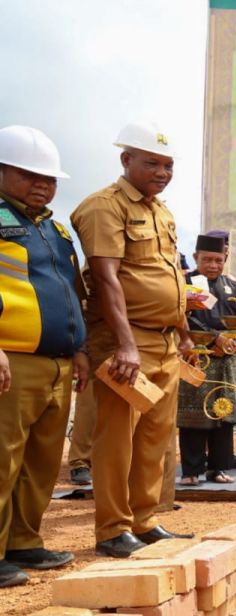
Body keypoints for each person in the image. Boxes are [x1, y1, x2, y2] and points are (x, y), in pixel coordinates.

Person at [71, 121, 195, 558]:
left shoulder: (160, 210)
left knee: (154, 437)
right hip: (127, 343)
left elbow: (168, 275)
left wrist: (182, 332)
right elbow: (106, 280)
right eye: (152, 163)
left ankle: (144, 521)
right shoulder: (105, 206)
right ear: (126, 160)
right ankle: (112, 529)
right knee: (117, 437)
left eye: (168, 165)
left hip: (162, 342)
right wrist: (124, 345)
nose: (162, 172)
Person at [0, 125, 85, 586]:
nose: (41, 184)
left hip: (59, 361)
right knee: (2, 458)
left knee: (43, 461)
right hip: (12, 360)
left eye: (49, 178)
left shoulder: (55, 229)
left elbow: (72, 291)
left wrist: (82, 349)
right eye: (28, 173)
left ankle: (24, 541)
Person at [176, 234, 236, 485]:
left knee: (224, 413)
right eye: (207, 259)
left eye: (218, 260)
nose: (213, 265)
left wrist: (234, 343)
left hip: (227, 360)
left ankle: (218, 468)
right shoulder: (186, 284)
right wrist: (214, 339)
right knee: (193, 414)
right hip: (197, 358)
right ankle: (190, 471)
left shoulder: (234, 288)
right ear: (196, 257)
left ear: (225, 259)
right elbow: (184, 318)